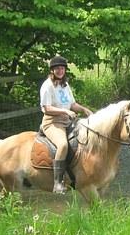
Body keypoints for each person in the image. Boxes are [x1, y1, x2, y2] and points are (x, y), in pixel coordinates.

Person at [39, 55, 93, 194]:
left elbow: (72, 104)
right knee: (63, 145)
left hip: (67, 121)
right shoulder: (47, 86)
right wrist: (65, 111)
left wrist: (84, 109)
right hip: (52, 122)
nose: (60, 71)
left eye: (62, 68)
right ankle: (58, 182)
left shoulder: (65, 85)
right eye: (57, 68)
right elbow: (46, 108)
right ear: (52, 70)